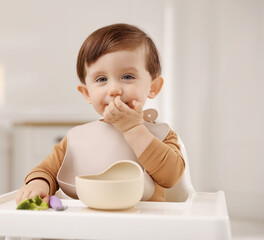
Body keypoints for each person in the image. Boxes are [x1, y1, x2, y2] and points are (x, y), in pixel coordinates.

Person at [16, 23, 185, 204]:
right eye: (101, 79)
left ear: (153, 87)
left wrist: (134, 129)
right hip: (89, 228)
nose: (114, 89)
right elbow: (47, 170)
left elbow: (171, 176)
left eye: (127, 77)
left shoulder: (161, 135)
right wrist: (38, 184)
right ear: (87, 93)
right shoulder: (77, 138)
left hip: (143, 227)